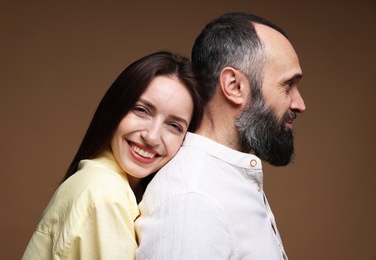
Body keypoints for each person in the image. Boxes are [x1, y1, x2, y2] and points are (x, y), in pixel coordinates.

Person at [135, 12, 306, 259]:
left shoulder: (223, 180)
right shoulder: (193, 202)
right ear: (234, 86)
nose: (300, 103)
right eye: (288, 85)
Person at [22, 51, 205, 260]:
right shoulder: (105, 194)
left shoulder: (114, 188)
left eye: (174, 126)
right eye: (142, 110)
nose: (152, 137)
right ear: (115, 108)